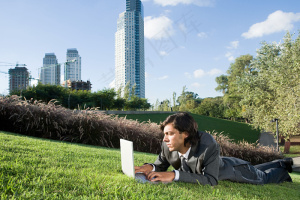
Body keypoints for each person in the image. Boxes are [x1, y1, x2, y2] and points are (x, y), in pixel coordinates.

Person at [135, 112, 294, 185]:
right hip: (219, 163)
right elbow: (161, 163)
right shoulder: (167, 145)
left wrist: (173, 175)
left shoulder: (207, 144)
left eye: (170, 134)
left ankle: (282, 168)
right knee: (257, 168)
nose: (165, 139)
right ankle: (280, 162)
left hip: (236, 170)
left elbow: (211, 180)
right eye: (164, 134)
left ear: (185, 134)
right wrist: (148, 167)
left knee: (262, 177)